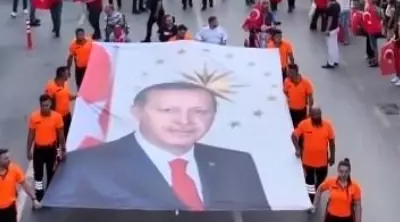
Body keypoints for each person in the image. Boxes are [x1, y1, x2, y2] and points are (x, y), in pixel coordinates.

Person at [44, 81, 270, 210]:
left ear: (213, 116)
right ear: (137, 112)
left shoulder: (238, 162)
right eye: (168, 110)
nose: (184, 121)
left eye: (199, 111)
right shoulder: (87, 165)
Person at [293, 106, 335, 211]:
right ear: (310, 115)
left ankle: (317, 191)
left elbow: (332, 142)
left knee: (321, 179)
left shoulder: (327, 126)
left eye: (319, 114)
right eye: (315, 115)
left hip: (323, 161)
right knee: (309, 181)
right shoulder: (304, 125)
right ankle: (311, 200)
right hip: (308, 161)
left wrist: (332, 156)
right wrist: (298, 149)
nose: (317, 117)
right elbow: (293, 136)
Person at [26, 94, 66, 202]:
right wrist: (28, 150)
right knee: (38, 175)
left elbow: (61, 135)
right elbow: (31, 135)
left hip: (51, 150)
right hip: (38, 150)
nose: (45, 108)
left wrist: (63, 149)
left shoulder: (57, 117)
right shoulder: (34, 117)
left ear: (51, 104)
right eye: (43, 106)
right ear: (40, 105)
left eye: (47, 105)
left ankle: (50, 195)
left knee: (51, 173)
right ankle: (39, 195)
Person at [316, 158, 362, 222]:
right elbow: (320, 189)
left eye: (346, 172)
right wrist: (315, 204)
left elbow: (357, 206)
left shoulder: (355, 187)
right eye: (341, 171)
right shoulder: (331, 182)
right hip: (331, 220)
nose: (343, 174)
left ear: (349, 172)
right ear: (338, 171)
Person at [44, 67, 74, 138]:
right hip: (58, 117)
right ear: (62, 74)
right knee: (57, 137)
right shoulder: (51, 86)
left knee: (68, 135)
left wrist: (77, 96)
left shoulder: (65, 84)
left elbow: (68, 97)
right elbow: (47, 102)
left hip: (67, 115)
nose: (69, 74)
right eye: (67, 73)